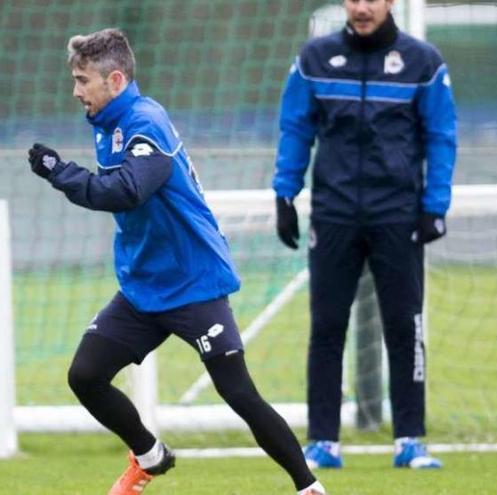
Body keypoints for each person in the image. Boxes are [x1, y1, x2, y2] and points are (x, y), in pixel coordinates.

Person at [27, 28, 327, 495]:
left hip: (194, 284)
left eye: (84, 80)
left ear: (116, 80)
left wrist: (58, 171)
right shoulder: (109, 125)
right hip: (145, 288)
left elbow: (127, 191)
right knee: (85, 375)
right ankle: (149, 456)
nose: (76, 90)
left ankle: (309, 488)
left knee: (239, 394)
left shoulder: (147, 121)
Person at [272, 0, 456, 470]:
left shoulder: (423, 63)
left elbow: (441, 135)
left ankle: (410, 440)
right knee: (327, 327)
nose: (361, 7)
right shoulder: (314, 59)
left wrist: (435, 205)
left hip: (397, 215)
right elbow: (295, 127)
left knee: (404, 327)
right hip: (333, 215)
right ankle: (322, 442)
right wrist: (285, 194)